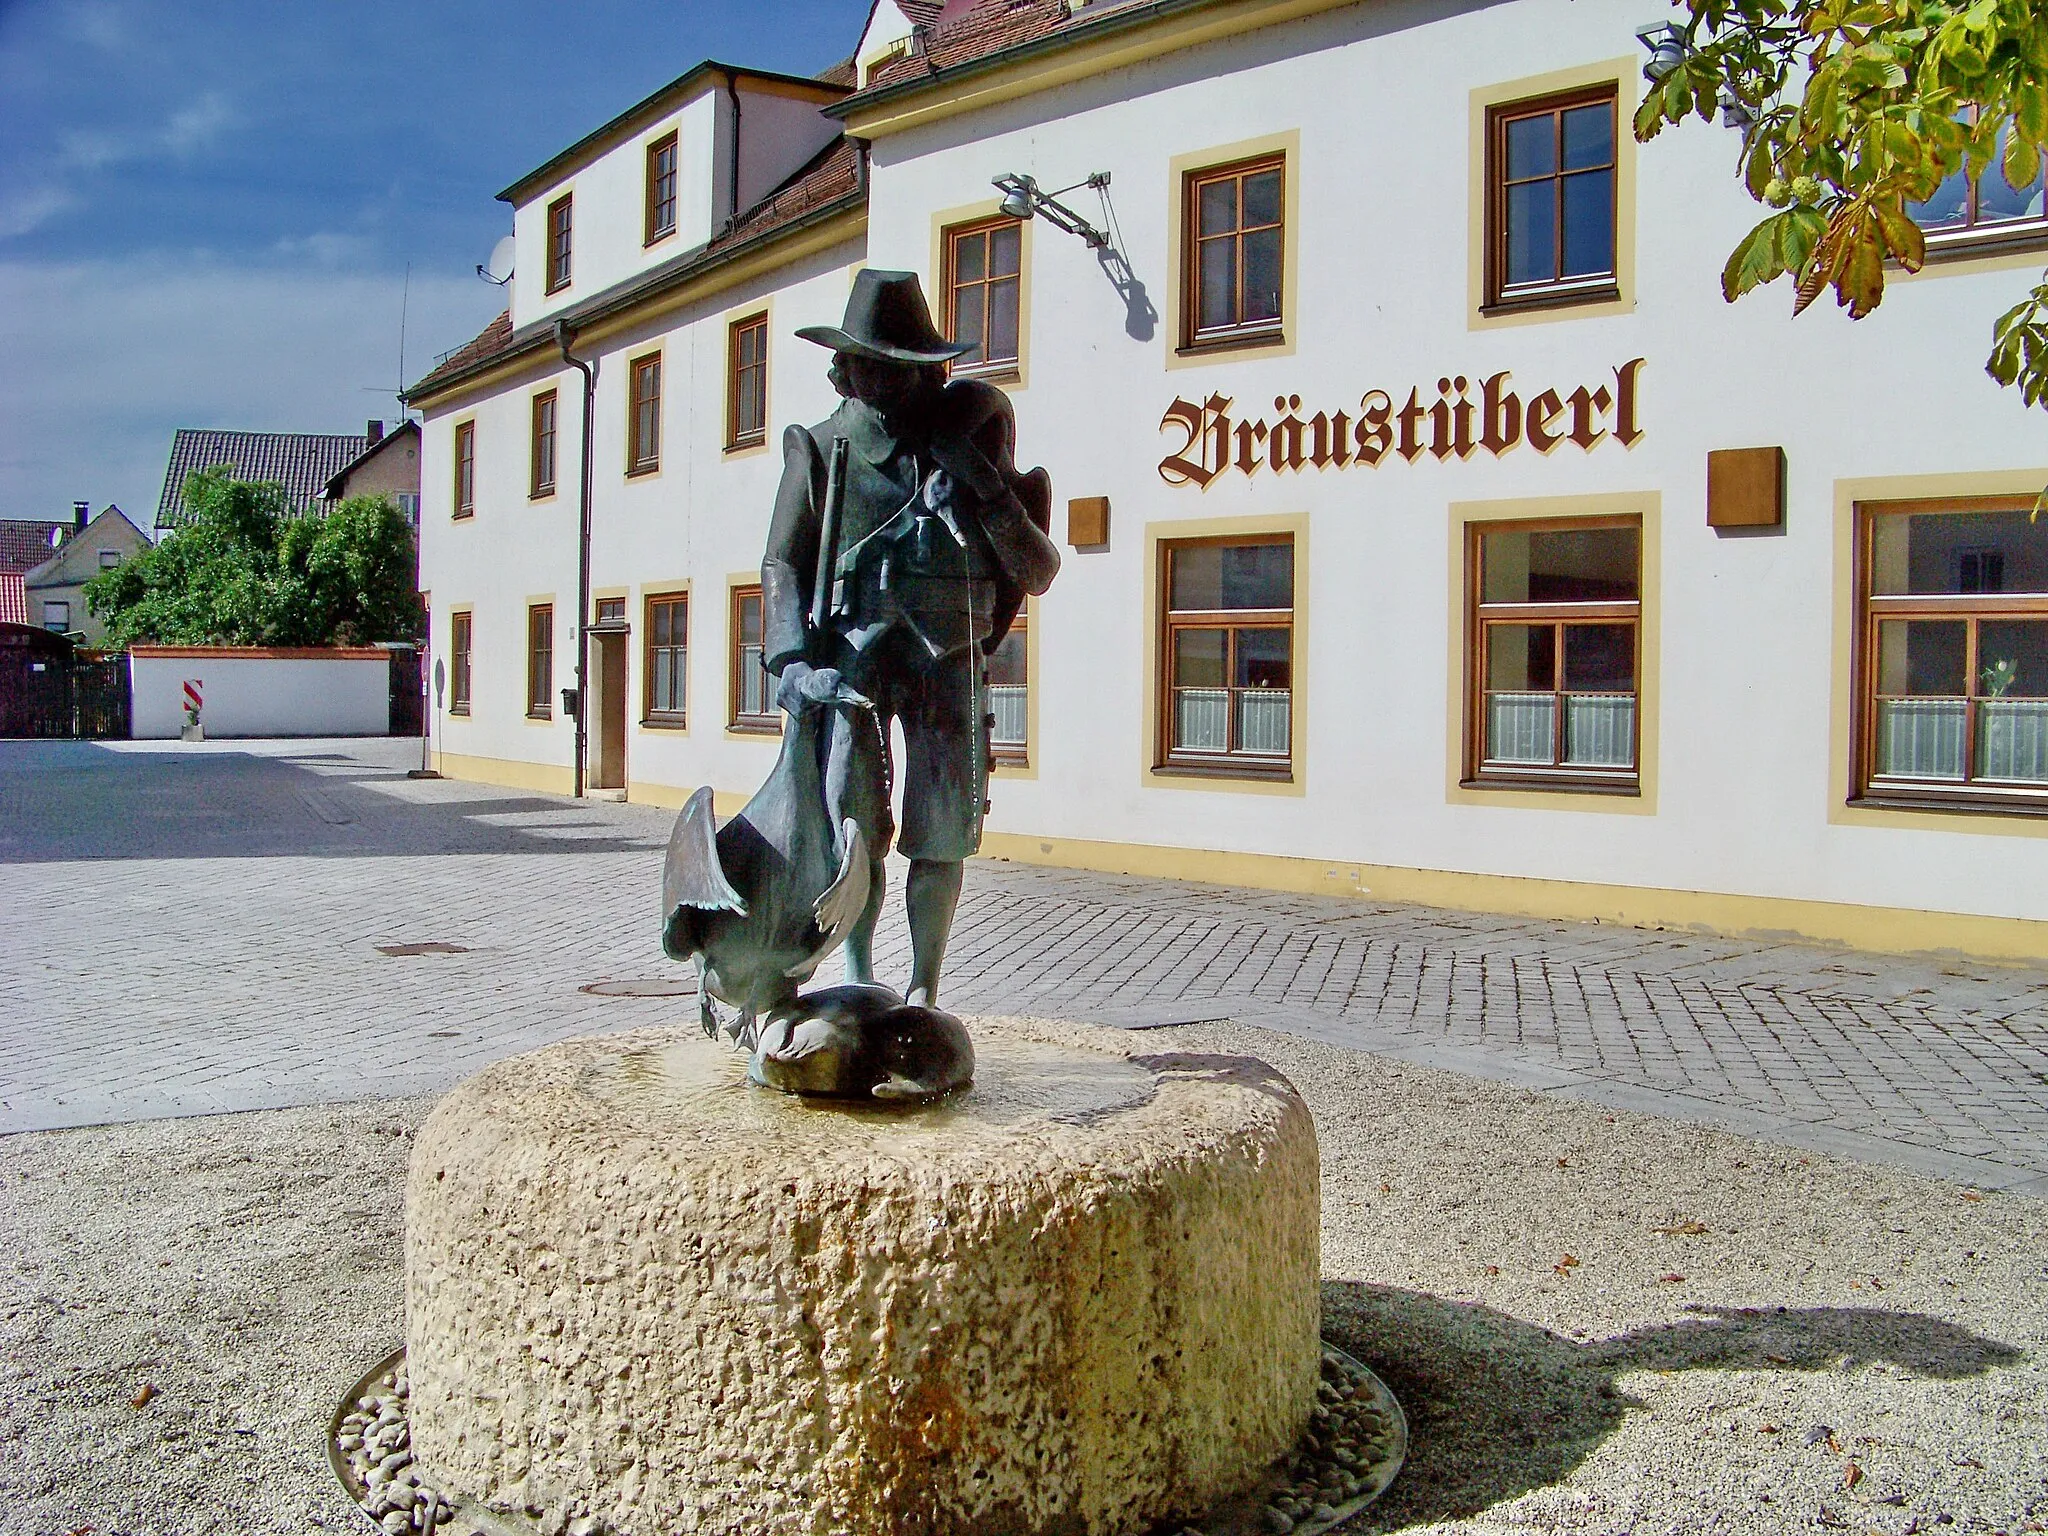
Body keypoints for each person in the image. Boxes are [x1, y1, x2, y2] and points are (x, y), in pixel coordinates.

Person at [761, 269, 1059, 1007]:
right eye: (874, 365)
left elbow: (1036, 569)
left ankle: (925, 987)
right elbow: (781, 562)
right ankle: (859, 977)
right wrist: (791, 658)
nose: (889, 382)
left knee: (944, 828)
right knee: (854, 824)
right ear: (848, 369)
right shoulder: (822, 448)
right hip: (851, 661)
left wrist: (984, 486)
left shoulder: (971, 442)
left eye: (908, 368)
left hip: (947, 657)